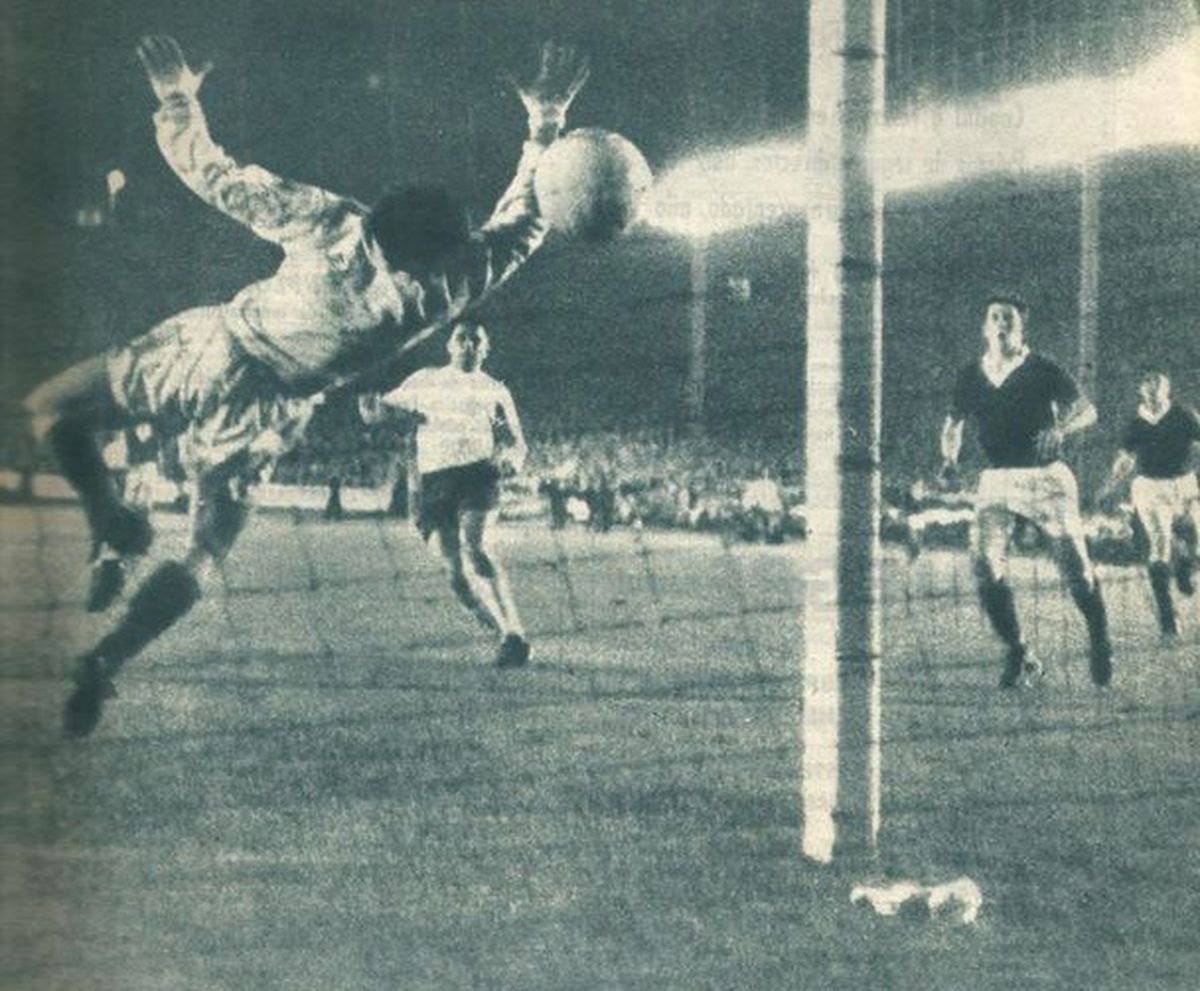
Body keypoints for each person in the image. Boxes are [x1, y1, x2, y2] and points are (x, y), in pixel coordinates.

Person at [22, 35, 589, 736]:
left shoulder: (334, 223)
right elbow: (524, 223)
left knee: (50, 411)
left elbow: (216, 177)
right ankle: (107, 655)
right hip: (272, 408)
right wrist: (545, 125)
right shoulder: (450, 285)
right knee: (204, 550)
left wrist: (176, 98)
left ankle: (110, 522)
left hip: (212, 347)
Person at [939, 293, 1112, 688]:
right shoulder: (971, 374)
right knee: (984, 564)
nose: (1001, 324)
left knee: (1076, 571)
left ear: (1021, 327)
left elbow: (1088, 410)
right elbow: (953, 424)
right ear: (985, 327)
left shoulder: (1042, 368)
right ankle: (1020, 652)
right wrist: (949, 459)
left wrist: (1061, 429)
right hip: (997, 479)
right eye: (995, 317)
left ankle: (1100, 637)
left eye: (1009, 318)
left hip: (1046, 477)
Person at [360, 324, 531, 667]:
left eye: (476, 340)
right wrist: (367, 403)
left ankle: (514, 631)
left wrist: (512, 461)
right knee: (456, 576)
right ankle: (506, 635)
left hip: (478, 475)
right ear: (449, 346)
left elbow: (517, 442)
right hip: (435, 481)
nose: (468, 344)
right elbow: (376, 413)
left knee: (476, 546)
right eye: (461, 338)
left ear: (486, 349)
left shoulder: (495, 390)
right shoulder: (425, 381)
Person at [1096, 372, 1200, 636]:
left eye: (1158, 386)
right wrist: (1108, 486)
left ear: (1167, 390)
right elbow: (1125, 460)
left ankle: (1186, 564)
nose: (1153, 391)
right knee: (1160, 543)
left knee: (1197, 536)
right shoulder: (1136, 424)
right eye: (1148, 386)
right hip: (1150, 486)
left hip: (1184, 482)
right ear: (1141, 391)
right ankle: (1168, 616)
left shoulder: (1183, 415)